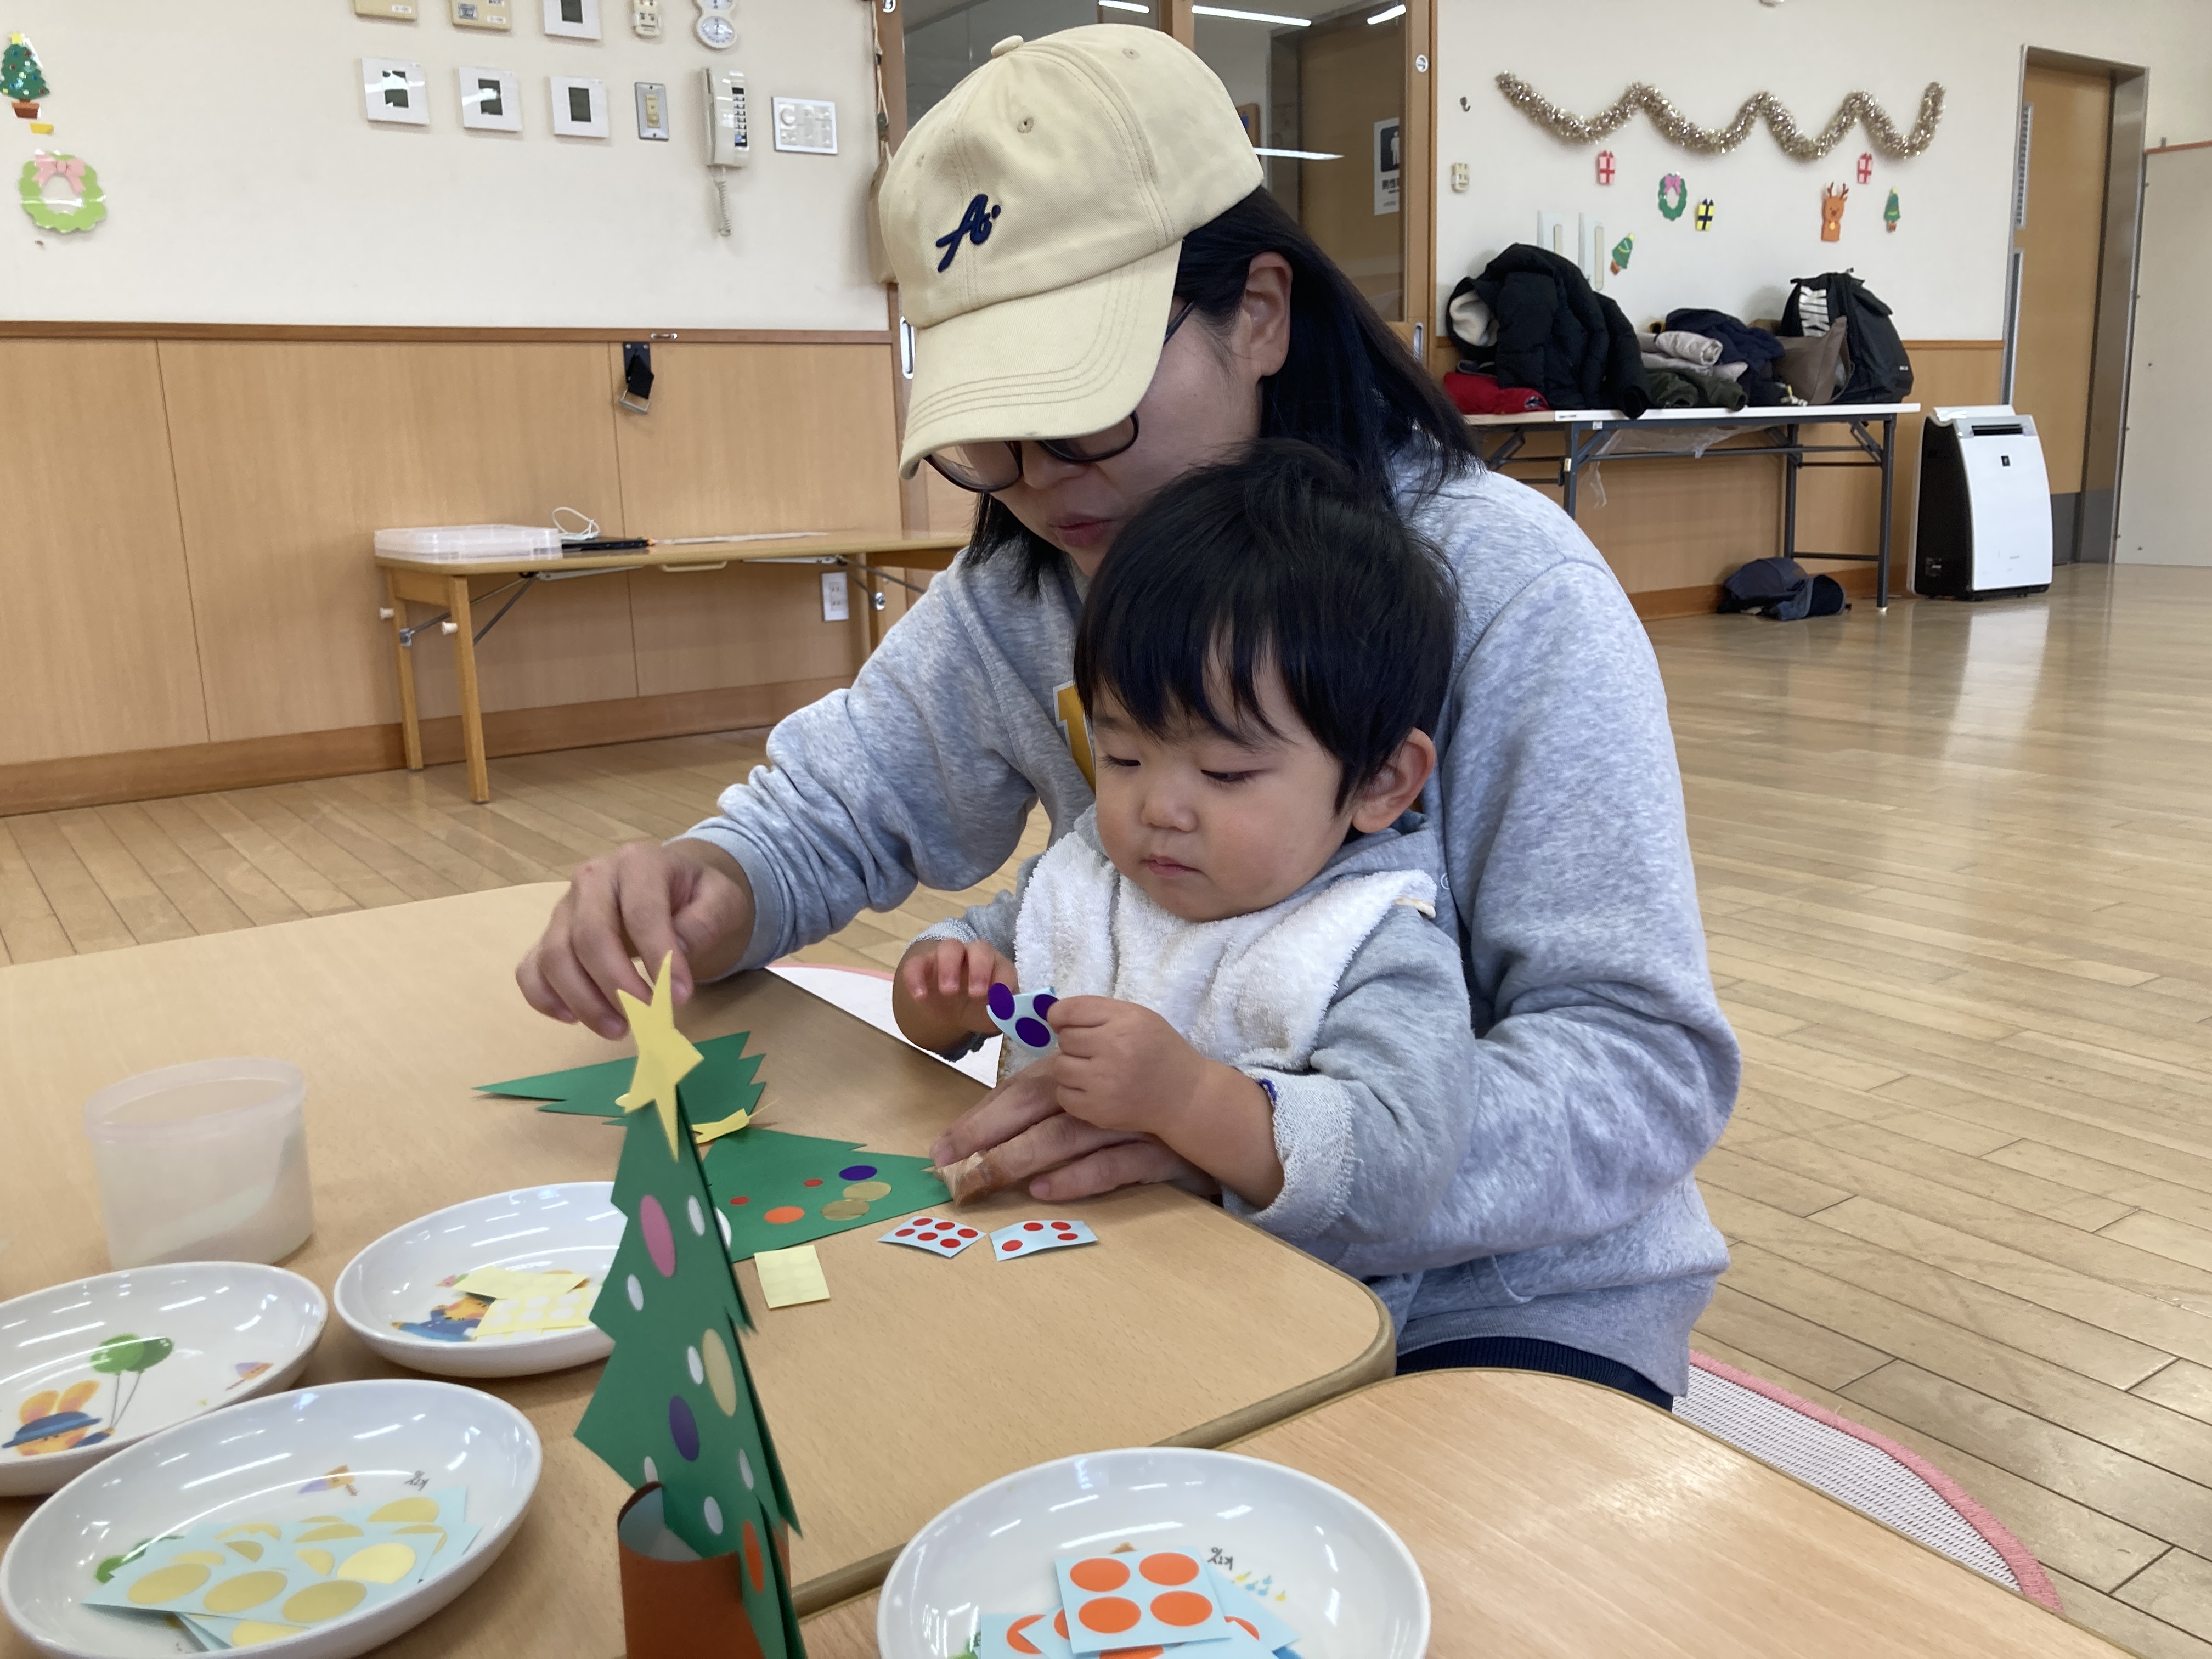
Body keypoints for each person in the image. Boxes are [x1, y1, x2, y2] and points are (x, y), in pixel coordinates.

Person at [515, 25, 1736, 1406]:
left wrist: (1242, 1137)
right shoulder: (1032, 575)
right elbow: (838, 811)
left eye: (1080, 408)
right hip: (1166, 1228)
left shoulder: (1508, 591)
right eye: (990, 433)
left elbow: (1637, 1070)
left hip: (1504, 1288)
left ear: (1258, 313)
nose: (1039, 480)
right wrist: (711, 886)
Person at [896, 442, 1472, 1234]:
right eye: (1123, 757)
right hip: (1047, 1253)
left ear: (1380, 780)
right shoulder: (1089, 882)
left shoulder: (1367, 945)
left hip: (1246, 1300)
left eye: (1226, 773)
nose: (1160, 808)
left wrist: (1191, 1100)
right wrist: (939, 987)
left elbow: (1398, 1172)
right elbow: (948, 992)